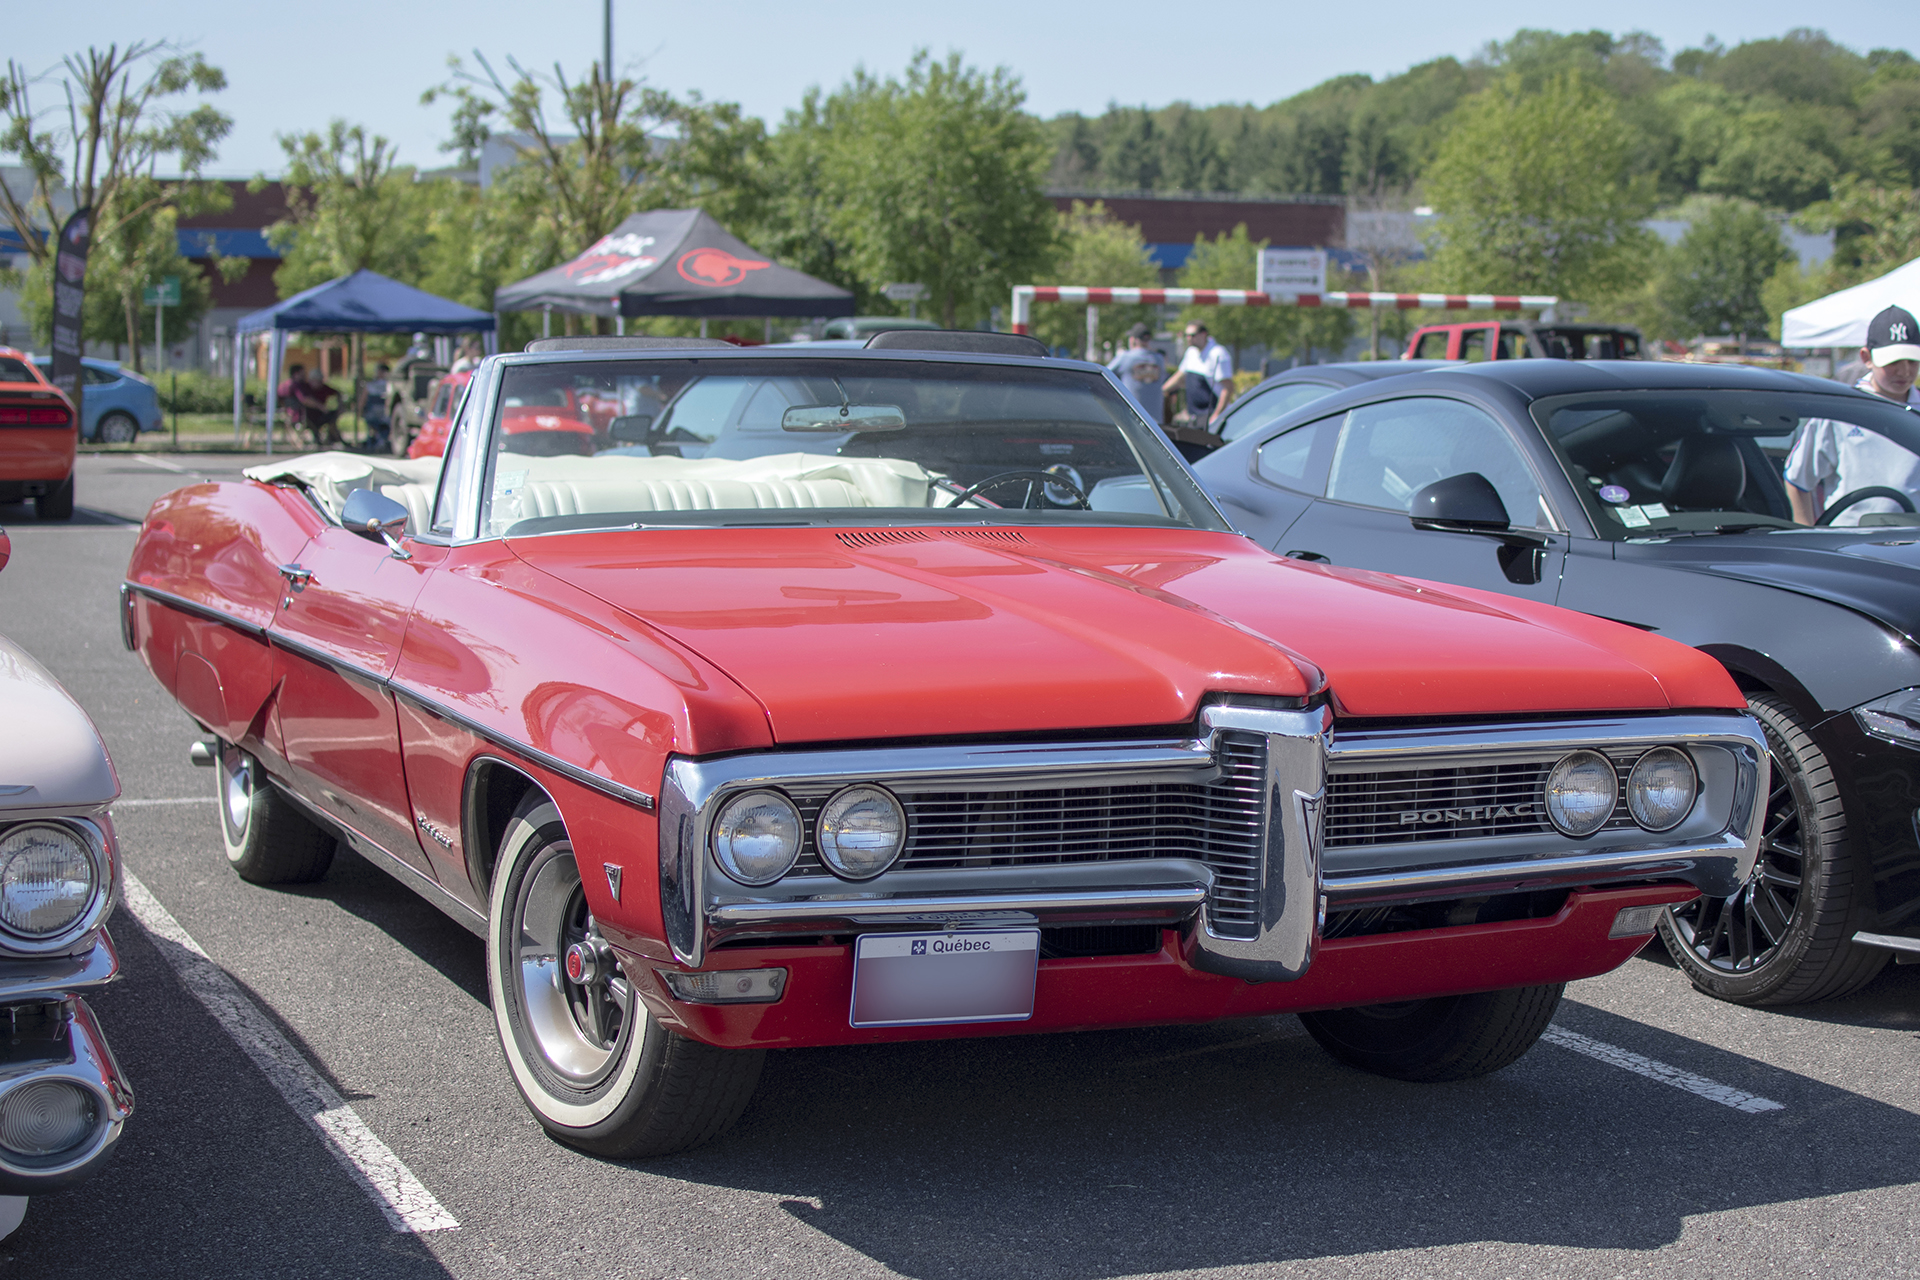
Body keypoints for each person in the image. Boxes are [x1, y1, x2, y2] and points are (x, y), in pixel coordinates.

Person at [1785, 305, 1920, 525]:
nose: (1904, 371)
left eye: (1912, 361)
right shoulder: (1840, 412)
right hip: (1849, 545)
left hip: (1912, 545)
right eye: (1893, 362)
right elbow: (1798, 479)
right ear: (1866, 357)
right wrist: (1804, 537)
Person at [1163, 321, 1233, 430]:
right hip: (1193, 416)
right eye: (1187, 335)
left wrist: (1216, 416)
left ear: (1203, 334)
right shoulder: (1191, 352)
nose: (1189, 338)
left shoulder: (1217, 353)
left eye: (1192, 335)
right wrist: (1162, 390)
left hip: (1209, 415)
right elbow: (1180, 376)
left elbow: (1227, 388)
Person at [1107, 323, 1167, 428]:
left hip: (1131, 419)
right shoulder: (1159, 360)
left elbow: (1104, 373)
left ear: (1133, 339)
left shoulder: (1125, 357)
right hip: (1156, 422)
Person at [361, 362, 393, 454]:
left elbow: (363, 399)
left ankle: (380, 439)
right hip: (377, 412)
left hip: (383, 412)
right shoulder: (373, 385)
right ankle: (380, 439)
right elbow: (363, 399)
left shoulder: (389, 385)